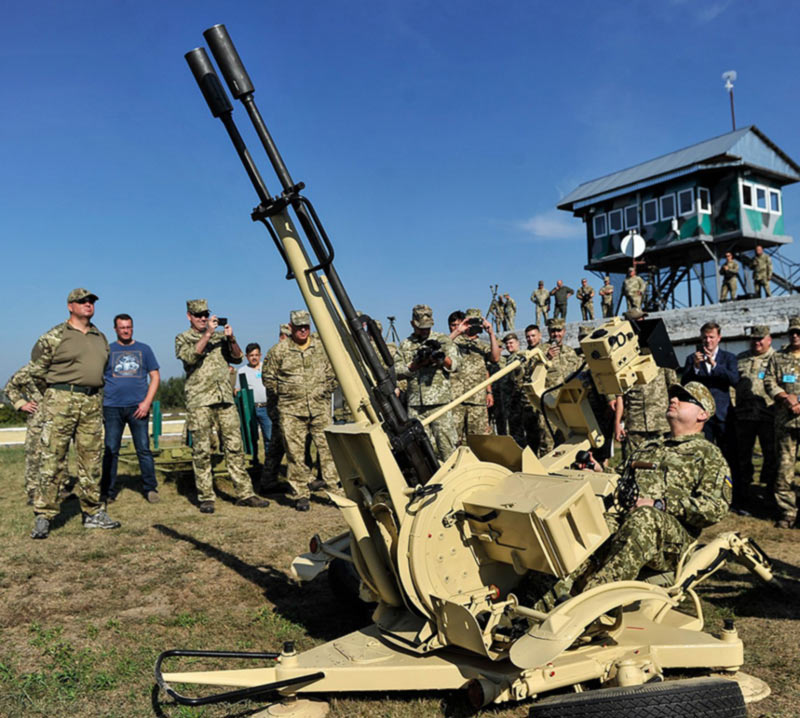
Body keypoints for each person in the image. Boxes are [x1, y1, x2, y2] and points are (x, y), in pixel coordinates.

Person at [581, 382, 732, 589]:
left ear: (702, 414)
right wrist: (599, 471)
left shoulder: (708, 454)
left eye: (684, 398)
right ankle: (546, 597)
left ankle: (595, 597)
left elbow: (716, 508)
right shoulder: (648, 446)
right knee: (594, 523)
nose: (673, 400)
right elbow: (624, 479)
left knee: (645, 517)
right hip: (628, 521)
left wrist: (659, 505)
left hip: (672, 541)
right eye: (673, 397)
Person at [28, 288, 121, 539]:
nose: (88, 304)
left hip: (91, 401)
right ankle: (44, 515)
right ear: (70, 306)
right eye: (82, 301)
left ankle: (93, 513)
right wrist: (52, 396)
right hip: (61, 400)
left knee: (91, 460)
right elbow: (36, 370)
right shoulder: (55, 335)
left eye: (91, 301)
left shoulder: (99, 336)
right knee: (52, 459)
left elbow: (104, 368)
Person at [175, 299, 269, 514]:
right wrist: (207, 335)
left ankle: (245, 493)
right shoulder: (183, 338)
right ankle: (206, 497)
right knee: (201, 449)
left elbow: (237, 358)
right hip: (200, 400)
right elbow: (189, 358)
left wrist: (231, 339)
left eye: (205, 314)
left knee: (235, 445)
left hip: (224, 397)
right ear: (189, 316)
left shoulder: (220, 338)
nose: (202, 318)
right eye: (198, 315)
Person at [262, 310, 337, 512]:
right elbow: (268, 379)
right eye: (299, 326)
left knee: (328, 451)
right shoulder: (279, 351)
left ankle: (334, 492)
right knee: (295, 455)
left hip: (319, 408)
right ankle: (301, 494)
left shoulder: (321, 348)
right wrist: (289, 394)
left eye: (306, 326)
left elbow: (333, 373)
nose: (303, 329)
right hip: (291, 411)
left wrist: (324, 390)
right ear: (291, 326)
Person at [100, 314, 160, 504]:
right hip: (112, 408)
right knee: (111, 450)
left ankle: (150, 488)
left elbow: (155, 377)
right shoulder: (107, 350)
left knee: (143, 449)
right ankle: (107, 492)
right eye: (122, 327)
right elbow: (97, 376)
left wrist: (146, 402)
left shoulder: (144, 349)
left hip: (138, 408)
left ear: (132, 328)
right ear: (115, 329)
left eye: (129, 327)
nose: (126, 330)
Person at [394, 304, 459, 462]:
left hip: (440, 404)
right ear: (412, 324)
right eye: (421, 327)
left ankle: (452, 479)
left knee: (447, 445)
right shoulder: (405, 345)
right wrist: (415, 366)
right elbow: (396, 370)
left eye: (427, 327)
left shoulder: (442, 340)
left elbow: (456, 365)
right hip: (416, 406)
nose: (425, 331)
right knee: (424, 449)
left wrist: (442, 359)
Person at [614, 310, 677, 451]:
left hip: (660, 422)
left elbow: (673, 386)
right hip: (635, 423)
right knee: (633, 464)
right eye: (638, 320)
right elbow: (620, 393)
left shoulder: (660, 348)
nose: (642, 323)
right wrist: (618, 423)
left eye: (643, 319)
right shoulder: (621, 354)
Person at [734, 325, 777, 513]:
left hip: (769, 416)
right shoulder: (741, 359)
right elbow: (732, 386)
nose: (757, 342)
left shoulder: (777, 358)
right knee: (743, 457)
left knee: (772, 457)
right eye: (754, 339)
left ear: (769, 339)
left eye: (761, 339)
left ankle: (770, 495)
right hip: (744, 416)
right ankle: (745, 495)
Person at [763, 315, 800, 528]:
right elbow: (769, 380)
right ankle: (788, 512)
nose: (795, 336)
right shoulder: (778, 358)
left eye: (799, 332)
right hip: (785, 423)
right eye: (792, 332)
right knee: (784, 469)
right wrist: (786, 398)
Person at [681, 322, 739, 455]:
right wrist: (695, 367)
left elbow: (735, 380)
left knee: (729, 453)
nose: (708, 341)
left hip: (723, 414)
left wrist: (715, 366)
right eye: (705, 337)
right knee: (704, 452)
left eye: (711, 337)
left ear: (719, 338)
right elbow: (685, 384)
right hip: (701, 415)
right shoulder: (692, 359)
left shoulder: (728, 358)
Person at [448, 309, 501, 444]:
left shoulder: (481, 345)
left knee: (478, 439)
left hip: (477, 399)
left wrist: (491, 334)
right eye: (471, 322)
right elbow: (441, 346)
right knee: (453, 439)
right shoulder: (454, 342)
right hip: (456, 398)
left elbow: (494, 358)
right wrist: (458, 331)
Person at [4, 362, 48, 503]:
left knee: (58, 452)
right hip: (37, 417)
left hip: (58, 418)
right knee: (34, 453)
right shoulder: (29, 369)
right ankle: (33, 490)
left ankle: (60, 487)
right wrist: (21, 404)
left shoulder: (62, 367)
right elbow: (10, 387)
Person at [540, 317, 581, 454]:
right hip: (550, 404)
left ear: (563, 332)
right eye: (553, 331)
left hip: (568, 403)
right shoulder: (541, 351)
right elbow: (531, 372)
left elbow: (579, 373)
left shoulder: (570, 352)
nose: (556, 334)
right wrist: (547, 358)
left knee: (570, 440)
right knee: (548, 442)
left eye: (558, 331)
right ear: (548, 332)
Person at [236, 342, 271, 474]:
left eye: (256, 355)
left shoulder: (266, 368)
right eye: (251, 355)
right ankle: (254, 463)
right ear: (247, 357)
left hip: (266, 407)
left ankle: (269, 465)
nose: (254, 358)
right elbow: (237, 389)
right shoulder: (242, 371)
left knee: (269, 436)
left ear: (260, 355)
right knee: (252, 437)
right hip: (250, 409)